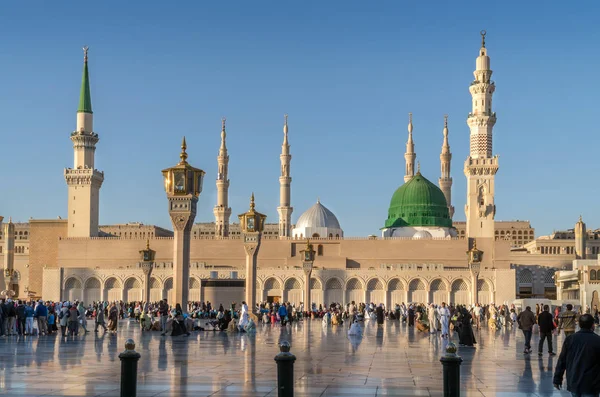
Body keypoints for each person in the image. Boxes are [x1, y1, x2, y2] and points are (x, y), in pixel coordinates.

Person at [553, 314, 600, 396]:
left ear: (579, 324)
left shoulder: (570, 339)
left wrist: (557, 379)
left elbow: (562, 361)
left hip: (574, 381)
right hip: (591, 384)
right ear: (592, 325)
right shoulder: (597, 340)